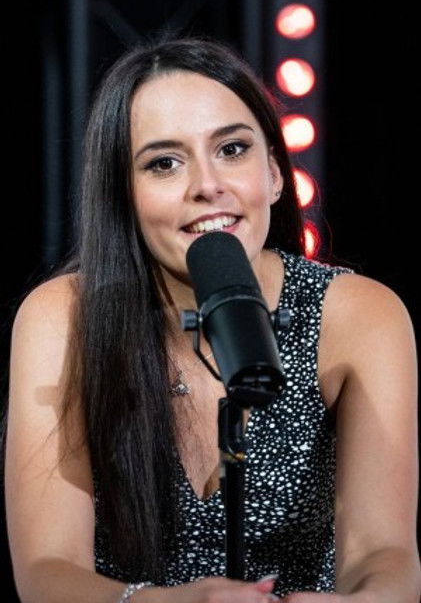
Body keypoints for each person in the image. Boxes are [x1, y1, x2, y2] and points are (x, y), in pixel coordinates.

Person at [4, 36, 420, 603]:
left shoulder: (359, 314)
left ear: (274, 173)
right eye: (164, 163)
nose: (207, 186)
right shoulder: (64, 318)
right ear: (121, 194)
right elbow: (47, 569)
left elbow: (384, 554)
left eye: (232, 149)